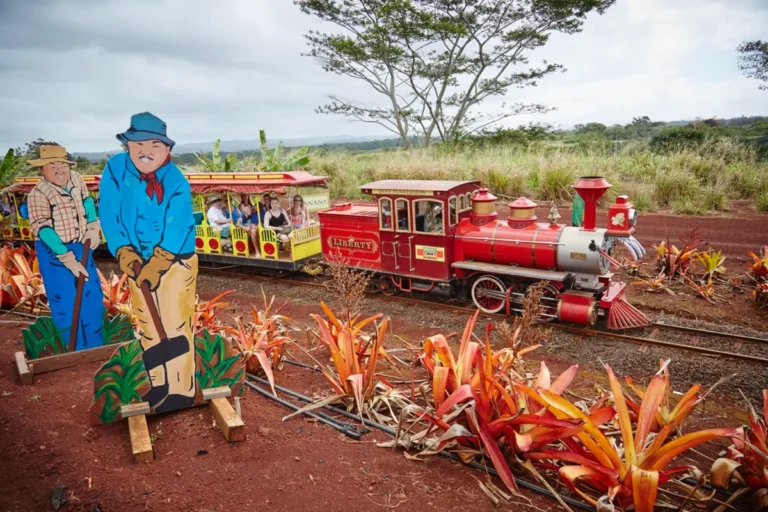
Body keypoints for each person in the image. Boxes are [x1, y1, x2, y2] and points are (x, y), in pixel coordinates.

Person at [100, 112, 197, 413]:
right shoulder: (115, 170)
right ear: (127, 146)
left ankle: (182, 389)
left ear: (167, 149)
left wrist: (160, 262)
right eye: (138, 143)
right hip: (135, 260)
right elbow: (109, 212)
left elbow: (178, 223)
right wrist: (124, 251)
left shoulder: (176, 180)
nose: (146, 150)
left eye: (155, 144)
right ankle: (159, 385)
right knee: (149, 325)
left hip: (176, 260)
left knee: (175, 322)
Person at [27, 144, 105, 351]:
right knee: (65, 300)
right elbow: (43, 229)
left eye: (63, 165)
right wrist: (66, 257)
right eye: (53, 166)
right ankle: (74, 349)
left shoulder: (76, 178)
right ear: (42, 169)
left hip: (82, 245)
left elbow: (86, 200)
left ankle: (96, 346)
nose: (60, 170)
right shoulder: (37, 194)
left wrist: (92, 225)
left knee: (91, 295)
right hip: (53, 251)